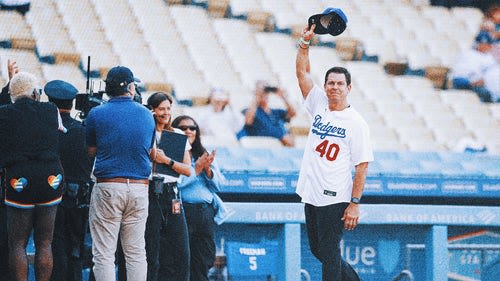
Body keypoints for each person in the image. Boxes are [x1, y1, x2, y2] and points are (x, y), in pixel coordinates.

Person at [295, 24, 374, 281]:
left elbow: (362, 166)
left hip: (335, 195)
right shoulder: (319, 103)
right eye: (331, 83)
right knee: (319, 250)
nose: (335, 87)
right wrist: (305, 44)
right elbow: (302, 74)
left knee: (329, 252)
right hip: (312, 191)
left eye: (340, 83)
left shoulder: (356, 123)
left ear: (349, 88)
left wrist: (355, 204)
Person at [85, 66, 155, 281]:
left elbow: (91, 151)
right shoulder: (146, 114)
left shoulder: (96, 113)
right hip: (139, 187)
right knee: (135, 253)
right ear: (131, 87)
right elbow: (151, 151)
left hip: (109, 184)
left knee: (104, 253)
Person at [0, 72, 64, 281]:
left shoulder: (4, 113)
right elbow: (59, 131)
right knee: (45, 242)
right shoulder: (51, 109)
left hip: (19, 179)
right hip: (50, 178)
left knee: (17, 243)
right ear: (36, 93)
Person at [44, 80, 94, 281]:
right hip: (80, 197)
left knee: (54, 245)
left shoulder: (47, 130)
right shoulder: (84, 131)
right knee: (75, 249)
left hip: (52, 194)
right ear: (72, 104)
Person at [172, 115, 226, 281]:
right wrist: (196, 168)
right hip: (182, 212)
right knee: (180, 261)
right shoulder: (171, 152)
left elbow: (220, 185)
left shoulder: (203, 153)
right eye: (183, 128)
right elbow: (175, 184)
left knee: (204, 260)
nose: (188, 130)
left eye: (192, 127)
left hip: (205, 213)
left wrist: (208, 170)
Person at [145, 92, 192, 281]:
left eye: (168, 108)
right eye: (161, 109)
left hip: (171, 192)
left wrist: (167, 160)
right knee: (151, 251)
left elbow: (187, 169)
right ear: (152, 111)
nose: (165, 113)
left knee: (182, 250)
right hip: (149, 191)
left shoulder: (177, 135)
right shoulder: (145, 133)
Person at [237, 81, 296, 146]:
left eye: (266, 92)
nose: (264, 94)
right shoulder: (251, 111)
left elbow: (292, 113)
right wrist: (257, 97)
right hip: (262, 146)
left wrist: (283, 97)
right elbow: (248, 121)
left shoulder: (276, 112)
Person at [450, 31, 499, 102]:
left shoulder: (490, 58)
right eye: (487, 44)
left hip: (485, 85)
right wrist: (473, 82)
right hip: (466, 83)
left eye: (490, 44)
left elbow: (493, 73)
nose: (489, 46)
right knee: (485, 94)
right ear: (480, 44)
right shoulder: (468, 54)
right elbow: (458, 77)